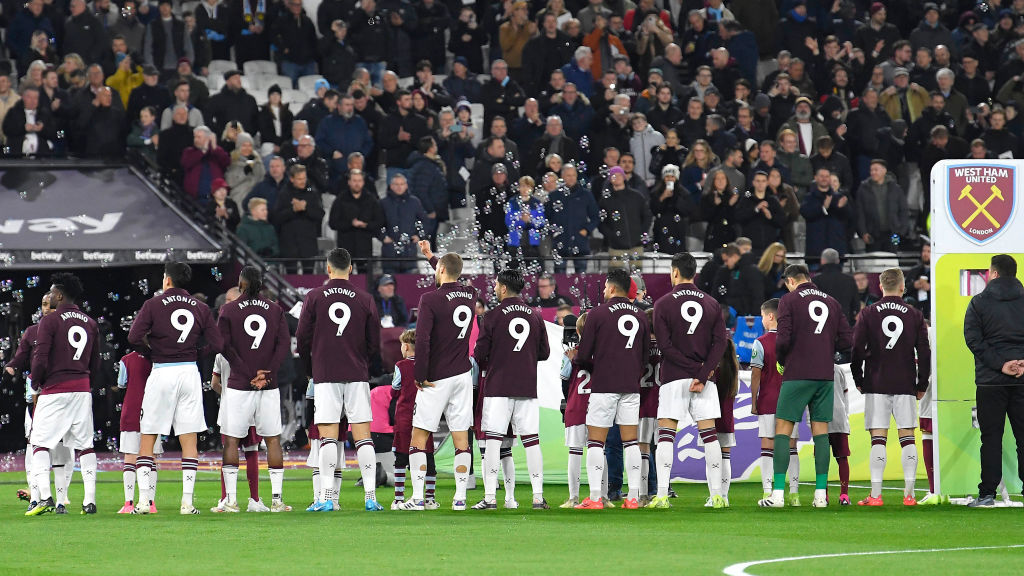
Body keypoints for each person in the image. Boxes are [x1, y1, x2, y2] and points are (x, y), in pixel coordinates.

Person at [128, 262, 223, 515]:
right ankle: (187, 503)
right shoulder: (201, 308)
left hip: (162, 371)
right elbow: (217, 342)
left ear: (167, 280)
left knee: (148, 436)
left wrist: (153, 352)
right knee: (189, 437)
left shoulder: (152, 304)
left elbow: (133, 337)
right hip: (189, 372)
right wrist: (196, 353)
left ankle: (144, 503)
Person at [759, 264, 853, 509]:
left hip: (797, 372)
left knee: (783, 429)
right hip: (824, 374)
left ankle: (777, 494)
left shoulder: (788, 300)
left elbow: (783, 338)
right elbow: (846, 340)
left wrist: (782, 361)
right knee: (821, 431)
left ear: (790, 281)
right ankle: (821, 495)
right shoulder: (832, 302)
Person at [297, 248, 382, 511]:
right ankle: (370, 497)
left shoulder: (314, 296)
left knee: (328, 437)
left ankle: (324, 497)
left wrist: (310, 367)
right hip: (356, 373)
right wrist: (363, 363)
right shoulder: (365, 298)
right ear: (351, 268)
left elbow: (302, 338)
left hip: (325, 373)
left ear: (328, 268)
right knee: (362, 436)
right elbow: (374, 341)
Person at [398, 252, 477, 511]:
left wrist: (419, 375)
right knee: (461, 437)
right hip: (463, 375)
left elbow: (422, 340)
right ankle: (460, 498)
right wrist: (434, 258)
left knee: (419, 434)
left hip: (436, 377)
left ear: (441, 270)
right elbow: (450, 285)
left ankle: (419, 498)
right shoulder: (470, 294)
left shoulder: (429, 299)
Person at [649, 252, 728, 508]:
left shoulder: (662, 304)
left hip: (673, 378)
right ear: (694, 273)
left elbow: (665, 346)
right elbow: (721, 344)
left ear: (674, 272)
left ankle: (661, 495)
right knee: (710, 436)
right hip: (704, 381)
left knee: (665, 436)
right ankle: (717, 495)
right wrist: (702, 372)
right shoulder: (712, 303)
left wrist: (691, 368)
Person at [472, 269, 551, 510]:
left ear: (504, 288)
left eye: (496, 285)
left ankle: (489, 498)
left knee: (494, 441)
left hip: (498, 386)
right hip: (527, 385)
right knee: (531, 441)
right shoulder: (535, 315)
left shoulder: (492, 316)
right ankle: (538, 497)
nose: (494, 288)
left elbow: (479, 353)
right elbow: (545, 353)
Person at [851, 268, 931, 507]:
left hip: (876, 381)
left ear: (880, 287)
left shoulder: (868, 313)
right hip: (905, 381)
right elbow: (924, 353)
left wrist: (858, 378)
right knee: (908, 437)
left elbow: (856, 349)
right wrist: (922, 382)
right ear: (902, 287)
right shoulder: (915, 314)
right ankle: (910, 495)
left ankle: (876, 496)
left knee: (878, 439)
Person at [216, 267, 292, 513]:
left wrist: (248, 373)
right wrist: (265, 373)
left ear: (241, 283)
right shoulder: (276, 309)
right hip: (268, 386)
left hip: (239, 385)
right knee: (272, 440)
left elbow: (223, 346)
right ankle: (277, 501)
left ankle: (231, 502)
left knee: (231, 439)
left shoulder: (227, 310)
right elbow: (282, 346)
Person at [22, 274, 98, 517]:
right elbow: (95, 363)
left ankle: (44, 496)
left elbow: (40, 357)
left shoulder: (50, 321)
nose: (50, 295)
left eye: (52, 292)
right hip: (82, 388)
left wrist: (36, 381)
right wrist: (86, 384)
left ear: (61, 296)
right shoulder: (90, 322)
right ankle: (89, 501)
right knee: (85, 445)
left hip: (55, 389)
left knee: (39, 442)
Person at [574, 269, 649, 510]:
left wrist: (588, 361)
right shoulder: (640, 315)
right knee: (631, 442)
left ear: (613, 288)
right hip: (630, 385)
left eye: (606, 287)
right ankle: (634, 497)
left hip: (604, 385)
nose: (604, 291)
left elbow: (584, 356)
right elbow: (645, 356)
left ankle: (596, 498)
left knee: (596, 442)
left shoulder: (596, 314)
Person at [963, 255, 1024, 508]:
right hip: (1022, 378)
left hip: (991, 381)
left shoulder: (979, 302)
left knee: (990, 438)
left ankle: (987, 494)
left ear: (995, 274)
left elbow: (974, 341)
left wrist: (1001, 365)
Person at [749, 298, 802, 503]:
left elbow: (755, 374)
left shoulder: (760, 343)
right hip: (791, 401)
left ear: (770, 316)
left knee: (768, 444)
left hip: (769, 400)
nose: (762, 320)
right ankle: (795, 494)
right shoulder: (794, 342)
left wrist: (754, 401)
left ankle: (767, 491)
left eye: (762, 316)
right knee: (791, 445)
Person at [391, 329, 440, 510]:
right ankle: (429, 499)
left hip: (405, 417)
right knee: (427, 457)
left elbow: (395, 388)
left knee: (401, 458)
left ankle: (398, 499)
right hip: (426, 416)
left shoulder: (401, 365)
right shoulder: (429, 365)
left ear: (405, 346)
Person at [560, 311, 592, 508]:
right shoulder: (602, 353)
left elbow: (563, 382)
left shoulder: (569, 354)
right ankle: (601, 495)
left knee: (575, 451)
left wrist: (569, 398)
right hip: (597, 406)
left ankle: (573, 497)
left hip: (576, 406)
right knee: (599, 450)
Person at [546, 164, 599, 274]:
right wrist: (553, 232)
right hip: (560, 242)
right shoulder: (554, 196)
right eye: (568, 175)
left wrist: (586, 230)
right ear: (562, 177)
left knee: (581, 277)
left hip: (581, 243)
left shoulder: (586, 194)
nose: (571, 178)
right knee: (559, 277)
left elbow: (595, 217)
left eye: (573, 175)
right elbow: (546, 218)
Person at [599, 166, 653, 271]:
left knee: (637, 279)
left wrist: (641, 233)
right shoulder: (605, 200)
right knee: (616, 280)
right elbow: (601, 222)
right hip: (616, 247)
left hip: (636, 245)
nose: (617, 178)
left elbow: (647, 216)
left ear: (624, 177)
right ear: (610, 179)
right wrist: (612, 236)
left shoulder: (636, 196)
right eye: (614, 175)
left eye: (619, 175)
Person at [273, 164, 326, 271]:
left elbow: (320, 214)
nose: (303, 181)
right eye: (299, 179)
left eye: (304, 178)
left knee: (308, 274)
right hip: (289, 243)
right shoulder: (284, 194)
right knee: (291, 275)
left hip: (308, 242)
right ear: (292, 179)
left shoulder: (312, 194)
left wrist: (305, 208)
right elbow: (276, 217)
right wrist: (293, 210)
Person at [855, 159, 909, 252]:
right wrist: (863, 232)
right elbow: (860, 213)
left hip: (894, 233)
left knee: (892, 259)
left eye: (876, 170)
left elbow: (903, 210)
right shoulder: (863, 189)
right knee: (874, 262)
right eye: (871, 170)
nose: (873, 172)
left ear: (884, 170)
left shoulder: (895, 188)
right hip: (872, 234)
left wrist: (902, 231)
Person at [379, 173, 427, 274]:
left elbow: (424, 221)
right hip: (389, 254)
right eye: (396, 184)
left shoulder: (415, 202)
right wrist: (383, 237)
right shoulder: (383, 203)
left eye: (402, 184)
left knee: (409, 287)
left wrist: (419, 236)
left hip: (410, 254)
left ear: (406, 185)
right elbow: (377, 224)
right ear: (391, 186)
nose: (399, 187)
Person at [814, 248, 859, 327]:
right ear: (838, 261)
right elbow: (856, 305)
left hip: (822, 325)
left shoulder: (816, 280)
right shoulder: (849, 280)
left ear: (822, 261)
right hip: (844, 322)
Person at [905, 243, 931, 322]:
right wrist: (913, 285)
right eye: (924, 251)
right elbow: (904, 289)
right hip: (915, 310)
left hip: (931, 310)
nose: (925, 254)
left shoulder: (939, 271)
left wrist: (931, 288)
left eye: (928, 251)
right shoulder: (914, 271)